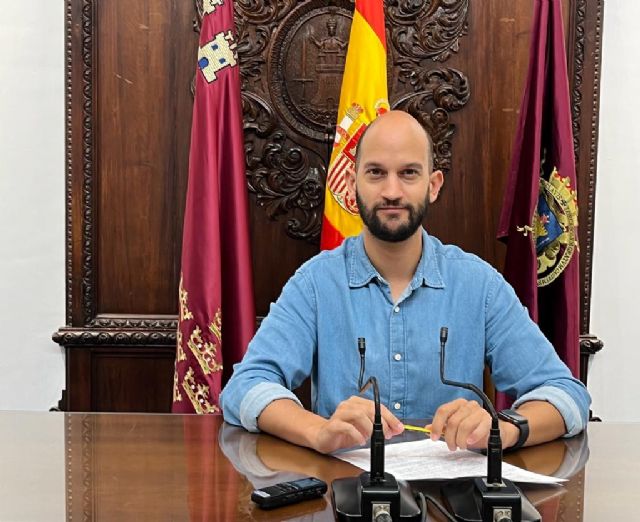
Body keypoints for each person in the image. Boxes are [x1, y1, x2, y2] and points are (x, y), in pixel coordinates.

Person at [221, 110, 591, 455]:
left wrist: (501, 430)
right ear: (351, 184)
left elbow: (566, 395)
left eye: (409, 173)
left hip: (452, 494)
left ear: (433, 185)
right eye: (376, 173)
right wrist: (319, 432)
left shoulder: (479, 286)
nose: (392, 192)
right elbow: (245, 386)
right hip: (344, 492)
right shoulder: (315, 284)